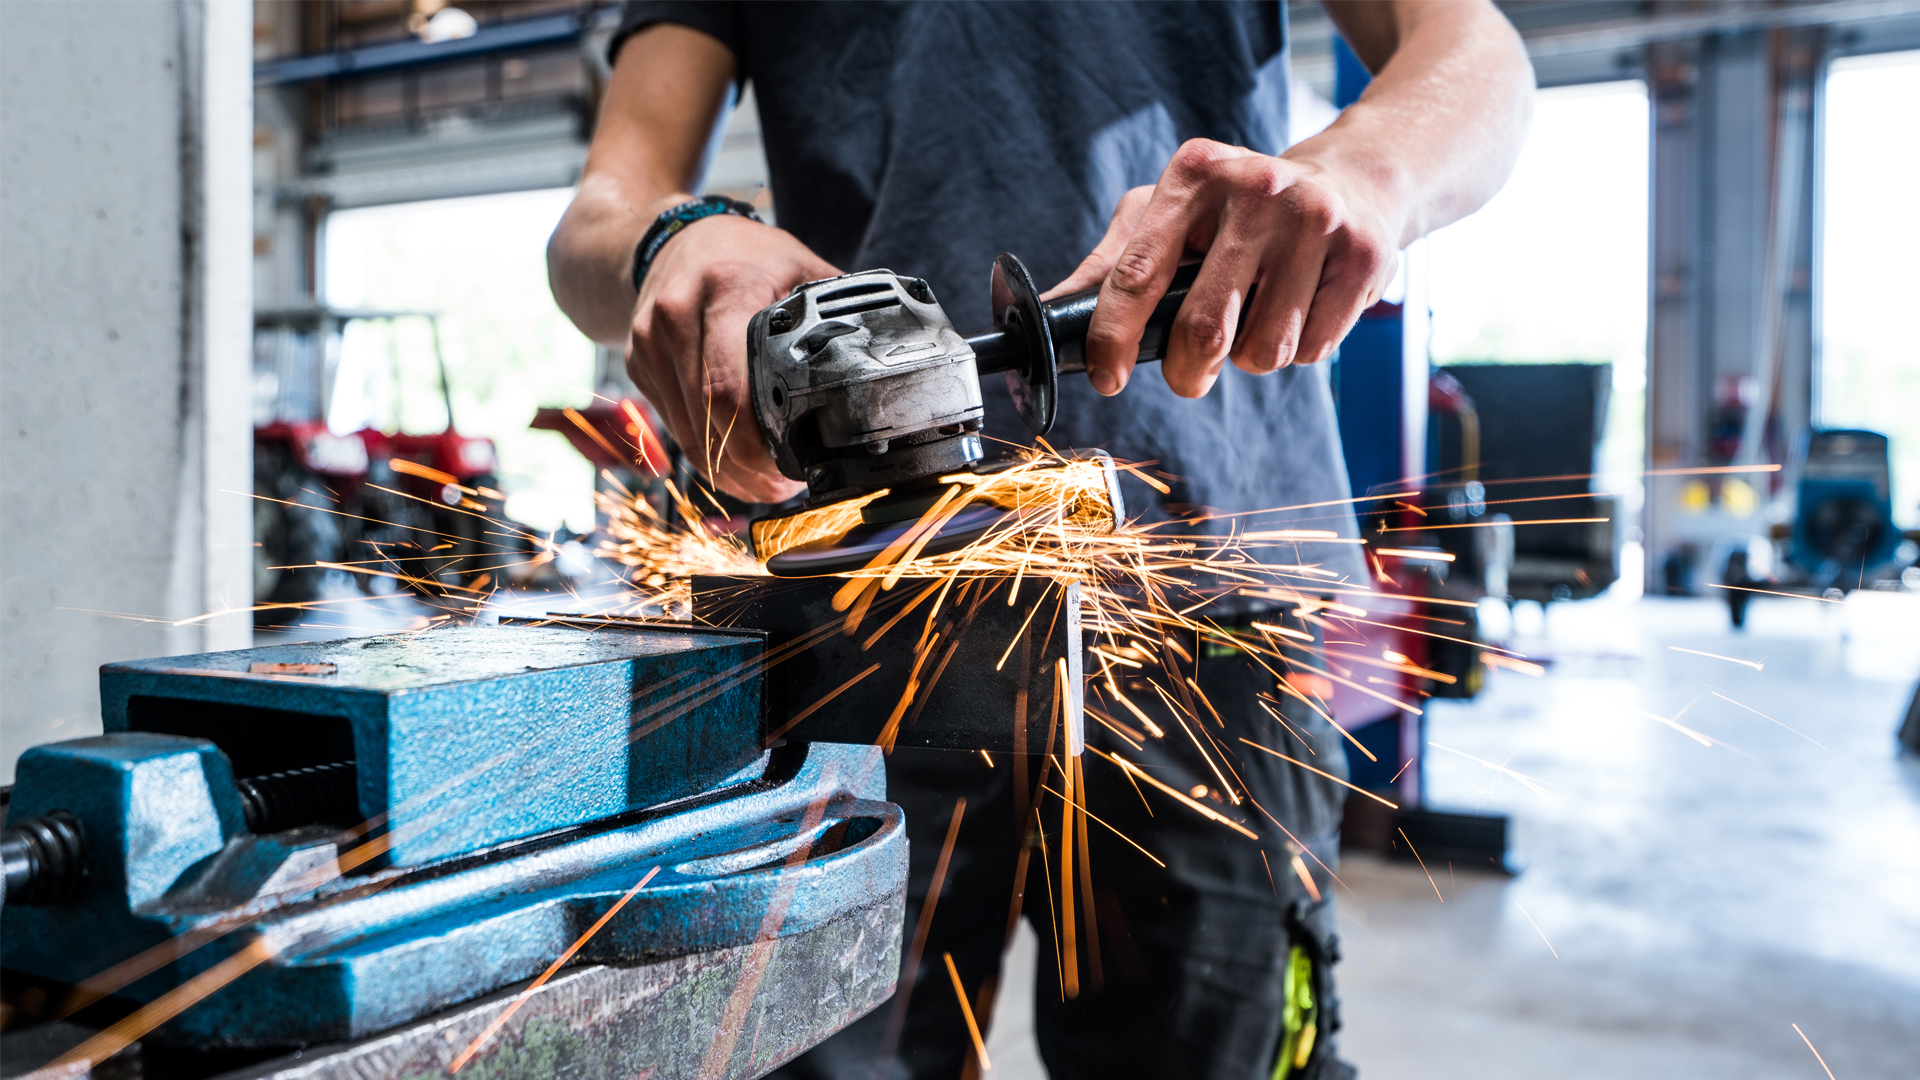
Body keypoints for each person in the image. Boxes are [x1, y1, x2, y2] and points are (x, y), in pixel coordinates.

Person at [549, 4, 1533, 1078]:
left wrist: (1361, 170)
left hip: (1203, 607)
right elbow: (597, 218)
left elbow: (1476, 54)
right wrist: (669, 235)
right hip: (865, 637)